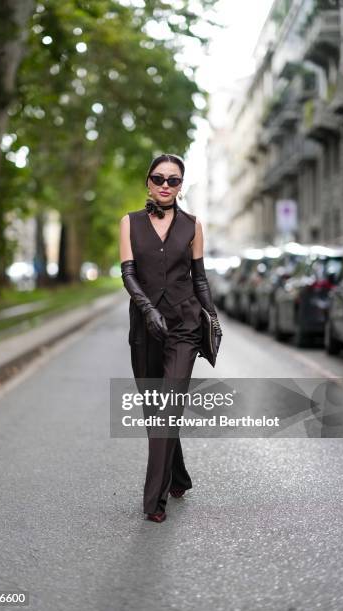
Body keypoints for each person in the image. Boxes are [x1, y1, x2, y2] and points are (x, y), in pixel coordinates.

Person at [119, 153, 222, 523]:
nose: (165, 185)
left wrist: (211, 316)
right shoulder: (129, 223)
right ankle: (177, 475)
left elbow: (199, 278)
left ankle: (154, 502)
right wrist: (148, 309)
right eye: (159, 178)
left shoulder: (193, 226)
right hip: (145, 328)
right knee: (154, 410)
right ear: (148, 182)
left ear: (181, 186)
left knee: (168, 407)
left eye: (173, 180)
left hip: (184, 327)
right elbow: (128, 274)